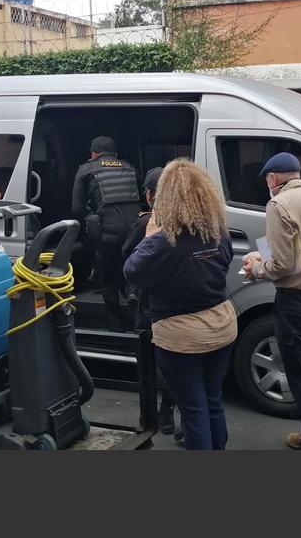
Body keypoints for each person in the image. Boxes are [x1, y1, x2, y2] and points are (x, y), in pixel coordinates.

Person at [123, 159, 236, 450]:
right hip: (222, 325)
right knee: (213, 401)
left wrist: (150, 232)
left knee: (193, 410)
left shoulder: (162, 241)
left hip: (181, 335)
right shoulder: (217, 232)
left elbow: (132, 270)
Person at [243, 152, 301, 450]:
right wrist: (262, 252)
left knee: (299, 371)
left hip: (294, 298)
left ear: (272, 179)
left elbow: (282, 265)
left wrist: (256, 268)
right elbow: (299, 248)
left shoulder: (278, 204)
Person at [121, 167, 183, 443]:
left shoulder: (146, 223)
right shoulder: (193, 220)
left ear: (148, 195)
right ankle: (174, 411)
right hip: (182, 304)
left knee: (151, 357)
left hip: (152, 304)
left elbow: (127, 256)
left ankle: (162, 412)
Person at [72, 136, 142, 330]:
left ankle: (115, 324)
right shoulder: (129, 167)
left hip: (107, 233)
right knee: (133, 268)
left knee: (107, 277)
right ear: (115, 153)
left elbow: (76, 208)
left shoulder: (86, 170)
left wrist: (90, 216)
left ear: (93, 154)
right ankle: (133, 297)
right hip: (135, 230)